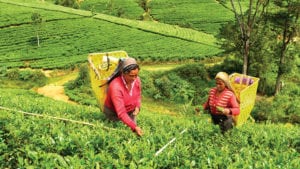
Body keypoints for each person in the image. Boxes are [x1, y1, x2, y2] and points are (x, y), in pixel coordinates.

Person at [103, 57, 143, 136]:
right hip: (114, 114)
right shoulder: (115, 87)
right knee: (119, 133)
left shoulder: (137, 80)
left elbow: (138, 95)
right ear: (123, 73)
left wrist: (138, 106)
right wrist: (134, 126)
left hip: (130, 111)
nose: (134, 78)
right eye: (131, 76)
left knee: (133, 133)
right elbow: (121, 113)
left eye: (136, 75)